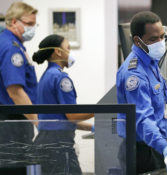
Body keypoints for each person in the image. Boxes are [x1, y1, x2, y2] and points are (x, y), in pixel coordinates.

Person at [116, 11, 167, 173]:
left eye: (162, 36)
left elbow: (159, 113)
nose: (161, 42)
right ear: (137, 41)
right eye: (153, 39)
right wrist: (163, 145)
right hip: (140, 150)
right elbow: (143, 119)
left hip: (154, 143)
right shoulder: (134, 73)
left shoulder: (151, 64)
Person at [31, 34, 94, 175]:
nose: (70, 53)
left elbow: (60, 119)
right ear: (58, 52)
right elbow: (72, 116)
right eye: (68, 48)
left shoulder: (46, 76)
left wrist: (93, 127)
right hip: (58, 147)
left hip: (46, 143)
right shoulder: (60, 78)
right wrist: (102, 110)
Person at [0, 2, 38, 168]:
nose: (32, 28)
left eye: (34, 24)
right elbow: (15, 92)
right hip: (12, 123)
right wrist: (39, 123)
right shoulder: (11, 48)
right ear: (14, 22)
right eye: (29, 24)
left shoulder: (9, 43)